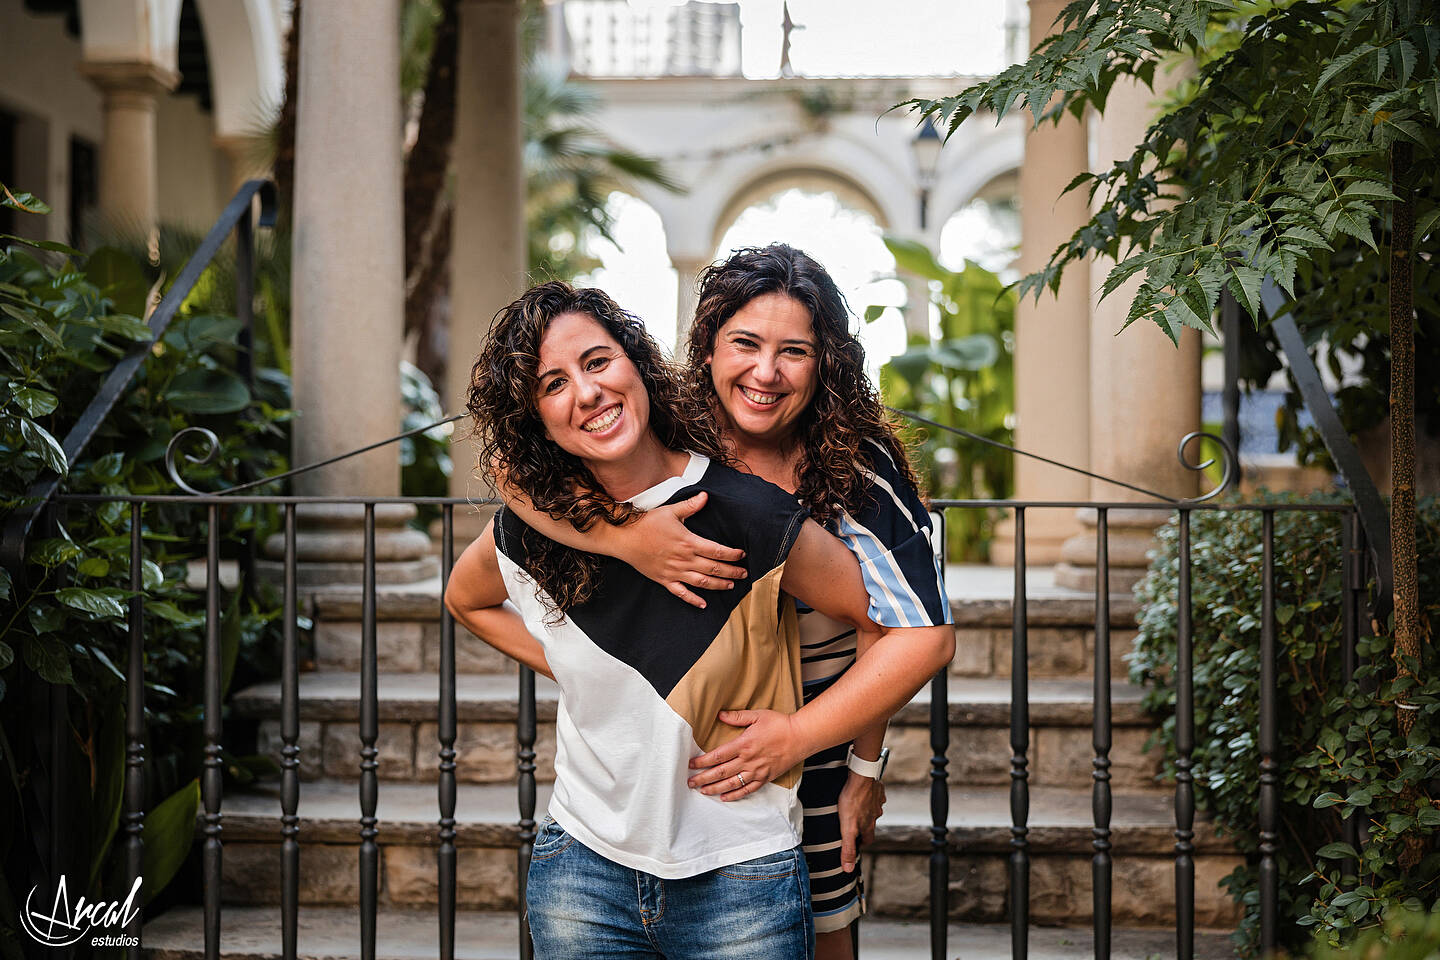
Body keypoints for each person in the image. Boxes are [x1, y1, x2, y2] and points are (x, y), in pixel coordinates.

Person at [444, 281, 952, 959]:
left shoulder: (790, 490)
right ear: (705, 354)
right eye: (553, 383)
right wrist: (620, 549)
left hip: (766, 803)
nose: (764, 372)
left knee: (833, 925)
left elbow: (904, 627)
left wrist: (849, 757)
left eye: (598, 363)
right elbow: (484, 544)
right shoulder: (556, 505)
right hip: (583, 862)